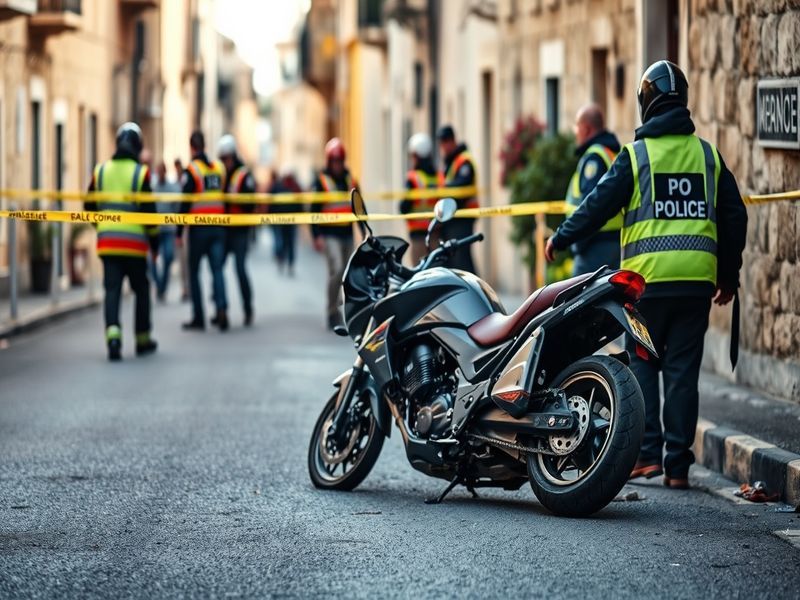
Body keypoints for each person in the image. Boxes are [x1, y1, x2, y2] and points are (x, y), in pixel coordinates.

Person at [545, 60, 748, 490]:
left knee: (643, 363)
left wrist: (561, 237)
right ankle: (678, 468)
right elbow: (735, 215)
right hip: (695, 285)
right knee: (682, 373)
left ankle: (647, 455)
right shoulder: (708, 156)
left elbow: (596, 204)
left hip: (646, 287)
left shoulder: (636, 157)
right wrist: (728, 275)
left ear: (646, 104)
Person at [85, 122, 158, 361]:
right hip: (135, 247)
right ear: (138, 147)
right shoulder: (140, 173)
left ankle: (113, 339)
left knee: (112, 291)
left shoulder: (100, 171)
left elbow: (88, 206)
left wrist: (102, 227)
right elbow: (150, 214)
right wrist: (155, 244)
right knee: (142, 290)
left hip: (108, 244)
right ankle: (142, 339)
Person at [180, 131, 229, 332]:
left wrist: (178, 231)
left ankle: (199, 317)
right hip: (219, 227)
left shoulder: (192, 170)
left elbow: (184, 202)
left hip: (199, 229)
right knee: (217, 270)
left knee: (194, 272)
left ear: (192, 147)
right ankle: (221, 308)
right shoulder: (218, 168)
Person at [566, 104, 623, 275]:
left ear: (586, 128)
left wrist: (578, 243)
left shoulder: (594, 158)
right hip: (613, 243)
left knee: (576, 291)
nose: (575, 132)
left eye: (577, 126)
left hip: (594, 247)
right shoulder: (611, 153)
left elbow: (591, 204)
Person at [311, 138, 359, 330]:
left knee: (347, 275)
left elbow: (358, 206)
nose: (337, 165)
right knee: (337, 269)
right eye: (334, 161)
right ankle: (331, 311)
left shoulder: (350, 180)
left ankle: (344, 309)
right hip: (330, 234)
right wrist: (316, 236)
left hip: (347, 233)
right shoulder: (321, 181)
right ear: (329, 161)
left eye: (340, 161)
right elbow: (313, 210)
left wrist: (364, 230)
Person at [218, 134, 256, 326]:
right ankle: (220, 309)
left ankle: (248, 308)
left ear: (233, 155)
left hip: (240, 230)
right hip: (225, 230)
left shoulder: (244, 175)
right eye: (222, 159)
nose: (225, 162)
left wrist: (236, 199)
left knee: (240, 269)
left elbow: (251, 202)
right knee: (217, 268)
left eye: (227, 158)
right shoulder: (221, 175)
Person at [437, 125, 479, 273]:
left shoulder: (464, 161)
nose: (443, 146)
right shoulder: (451, 162)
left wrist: (444, 188)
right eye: (442, 143)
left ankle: (474, 286)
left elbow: (462, 185)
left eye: (446, 142)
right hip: (452, 218)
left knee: (462, 260)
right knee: (454, 260)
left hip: (463, 216)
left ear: (453, 140)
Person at [400, 133, 442, 264]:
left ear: (416, 156)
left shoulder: (413, 179)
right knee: (436, 271)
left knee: (419, 273)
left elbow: (403, 207)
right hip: (435, 234)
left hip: (418, 237)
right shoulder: (439, 177)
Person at [151, 160, 181, 301]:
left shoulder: (172, 188)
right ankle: (158, 285)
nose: (160, 174)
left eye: (162, 171)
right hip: (156, 230)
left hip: (168, 229)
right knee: (152, 260)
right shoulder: (153, 187)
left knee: (169, 257)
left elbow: (177, 206)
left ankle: (162, 286)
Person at [269, 171, 302, 276]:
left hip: (292, 221)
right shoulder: (278, 186)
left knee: (290, 243)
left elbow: (300, 203)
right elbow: (271, 202)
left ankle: (290, 264)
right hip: (279, 221)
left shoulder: (295, 186)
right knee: (281, 242)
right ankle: (282, 260)